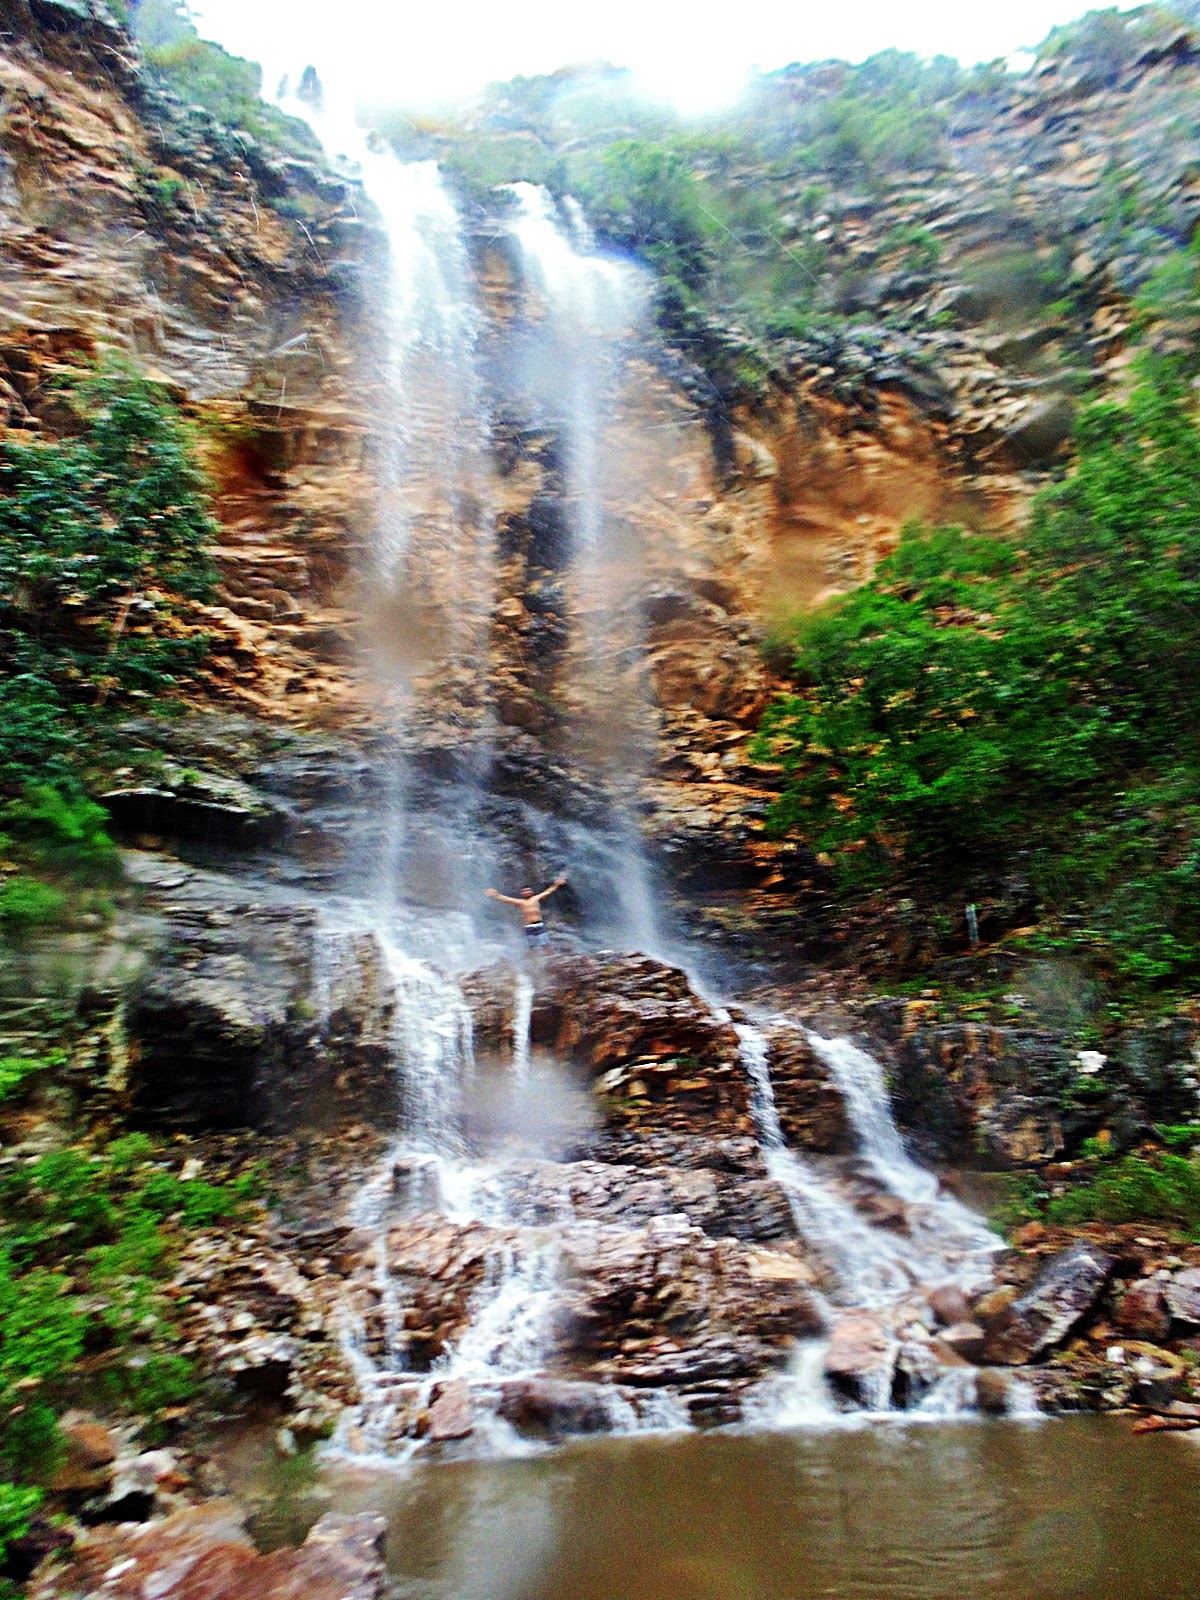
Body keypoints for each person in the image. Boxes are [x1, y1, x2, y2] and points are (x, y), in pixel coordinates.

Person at [485, 877, 566, 946]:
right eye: (524, 891)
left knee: (545, 944)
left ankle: (550, 957)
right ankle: (533, 959)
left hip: (539, 924)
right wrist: (495, 895)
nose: (527, 892)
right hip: (529, 926)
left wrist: (556, 884)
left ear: (532, 892)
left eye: (528, 890)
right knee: (532, 945)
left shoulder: (536, 898)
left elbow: (548, 891)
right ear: (521, 893)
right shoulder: (520, 902)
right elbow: (506, 899)